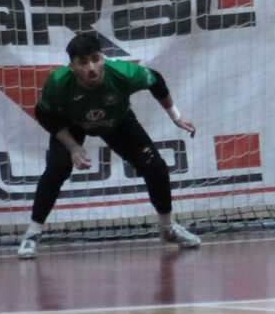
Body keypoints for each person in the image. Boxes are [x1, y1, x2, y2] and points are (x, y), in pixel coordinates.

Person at [17, 31, 201, 258]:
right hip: (72, 123)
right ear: (72, 66)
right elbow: (44, 115)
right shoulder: (58, 83)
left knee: (155, 166)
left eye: (95, 59)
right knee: (57, 168)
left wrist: (176, 116)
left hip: (117, 121)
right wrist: (73, 147)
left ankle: (168, 228)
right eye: (83, 62)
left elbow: (156, 81)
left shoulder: (124, 73)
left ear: (102, 58)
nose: (92, 67)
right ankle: (32, 235)